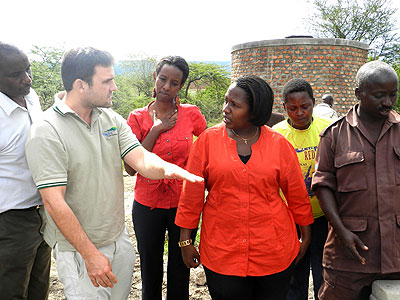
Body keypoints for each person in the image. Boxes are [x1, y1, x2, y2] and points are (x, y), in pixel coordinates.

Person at [25, 47, 203, 300]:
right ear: (81, 85)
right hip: (80, 251)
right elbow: (54, 202)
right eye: (107, 81)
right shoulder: (46, 130)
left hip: (118, 242)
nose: (115, 87)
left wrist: (171, 170)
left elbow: (139, 159)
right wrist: (90, 255)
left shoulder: (110, 118)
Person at [175, 75, 314, 300]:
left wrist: (306, 236)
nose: (226, 109)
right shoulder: (207, 141)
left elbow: (296, 194)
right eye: (226, 101)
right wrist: (185, 240)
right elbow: (191, 195)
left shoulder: (279, 145)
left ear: (254, 111)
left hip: (273, 250)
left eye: (235, 105)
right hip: (222, 251)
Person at [311, 60, 400, 300]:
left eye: (393, 94)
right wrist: (341, 231)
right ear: (359, 93)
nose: (388, 102)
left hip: (397, 252)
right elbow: (322, 186)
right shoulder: (334, 135)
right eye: (380, 95)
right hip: (349, 254)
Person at [125, 56, 207, 300]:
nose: (166, 87)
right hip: (147, 205)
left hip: (184, 205)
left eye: (174, 83)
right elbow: (131, 169)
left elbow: (210, 146)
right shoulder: (137, 117)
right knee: (150, 269)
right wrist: (155, 129)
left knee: (180, 268)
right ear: (155, 77)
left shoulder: (191, 114)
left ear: (181, 86)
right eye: (163, 79)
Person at [0, 42, 51, 300]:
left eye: (28, 69)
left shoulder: (31, 97)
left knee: (39, 288)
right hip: (11, 221)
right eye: (16, 74)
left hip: (43, 212)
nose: (27, 79)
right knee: (11, 291)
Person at [272, 78, 331, 300]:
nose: (299, 113)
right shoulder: (276, 135)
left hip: (323, 216)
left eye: (305, 106)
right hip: (290, 219)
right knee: (294, 276)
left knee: (323, 275)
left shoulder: (327, 129)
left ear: (313, 103)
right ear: (284, 107)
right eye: (293, 108)